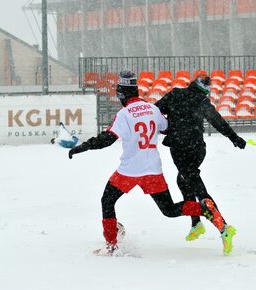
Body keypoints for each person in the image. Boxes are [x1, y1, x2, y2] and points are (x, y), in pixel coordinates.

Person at [68, 70, 229, 255]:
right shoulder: (152, 109)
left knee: (107, 200)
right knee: (169, 209)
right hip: (153, 170)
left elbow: (107, 139)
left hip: (129, 171)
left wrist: (84, 147)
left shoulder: (124, 114)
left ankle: (111, 246)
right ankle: (205, 209)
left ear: (121, 93)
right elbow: (168, 128)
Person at [155, 70, 246, 250]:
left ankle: (224, 227)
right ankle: (196, 223)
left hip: (180, 148)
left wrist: (167, 126)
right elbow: (217, 121)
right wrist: (233, 137)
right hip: (197, 148)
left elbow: (155, 111)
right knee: (183, 181)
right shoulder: (202, 101)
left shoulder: (175, 94)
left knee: (196, 187)